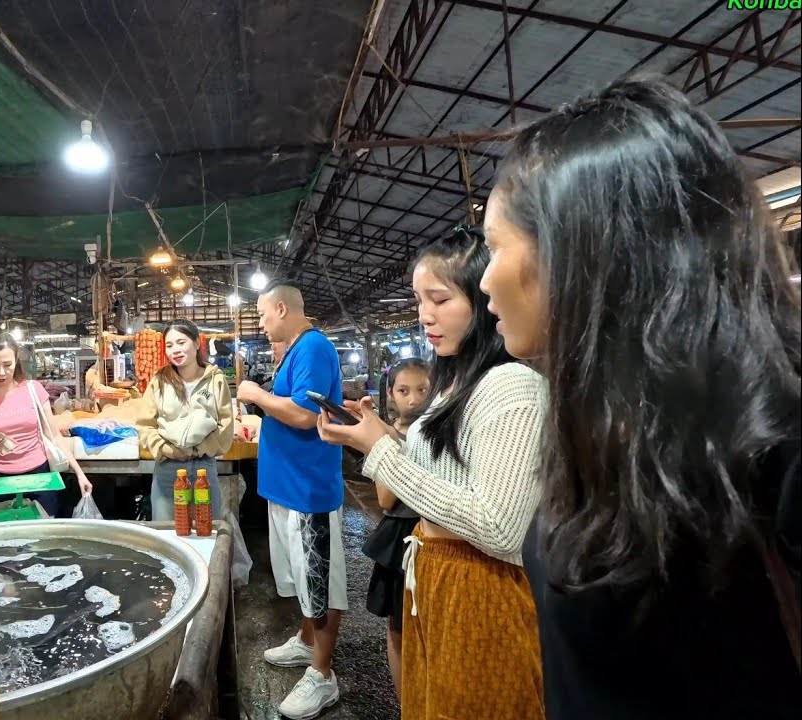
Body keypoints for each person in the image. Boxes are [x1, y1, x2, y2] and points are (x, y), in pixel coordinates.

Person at [479, 76, 800, 719]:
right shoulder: (607, 421)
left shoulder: (773, 452)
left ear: (579, 251)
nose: (484, 280)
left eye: (493, 247)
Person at [316, 227, 546, 720]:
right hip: (434, 573)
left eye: (439, 298)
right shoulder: (455, 382)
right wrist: (377, 435)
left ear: (485, 297)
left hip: (480, 590)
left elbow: (500, 528)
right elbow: (442, 475)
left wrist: (382, 452)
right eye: (420, 299)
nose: (424, 314)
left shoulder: (512, 387)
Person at [235, 283, 347, 720]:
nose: (261, 324)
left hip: (307, 490)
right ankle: (305, 642)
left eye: (263, 315)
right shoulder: (298, 348)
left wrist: (256, 395)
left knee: (319, 581)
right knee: (301, 579)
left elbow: (303, 414)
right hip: (287, 486)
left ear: (281, 308)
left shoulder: (314, 347)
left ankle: (323, 674)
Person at [359, 357, 430, 699]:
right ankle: (406, 704)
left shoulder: (437, 431)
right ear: (391, 393)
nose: (413, 399)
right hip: (399, 540)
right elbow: (386, 500)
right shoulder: (385, 436)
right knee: (399, 628)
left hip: (434, 535)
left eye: (422, 390)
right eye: (404, 390)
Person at [0, 332, 92, 517]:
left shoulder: (33, 390)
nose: (1, 372)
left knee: (41, 538)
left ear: (16, 361)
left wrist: (80, 473)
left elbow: (54, 435)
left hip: (39, 478)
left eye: (7, 365)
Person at [137, 320, 236, 522]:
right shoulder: (159, 381)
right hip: (168, 470)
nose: (175, 350)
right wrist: (168, 450)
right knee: (168, 535)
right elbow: (145, 426)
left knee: (206, 529)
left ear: (197, 343)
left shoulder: (215, 380)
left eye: (181, 342)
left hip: (203, 469)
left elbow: (225, 426)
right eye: (170, 345)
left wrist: (198, 450)